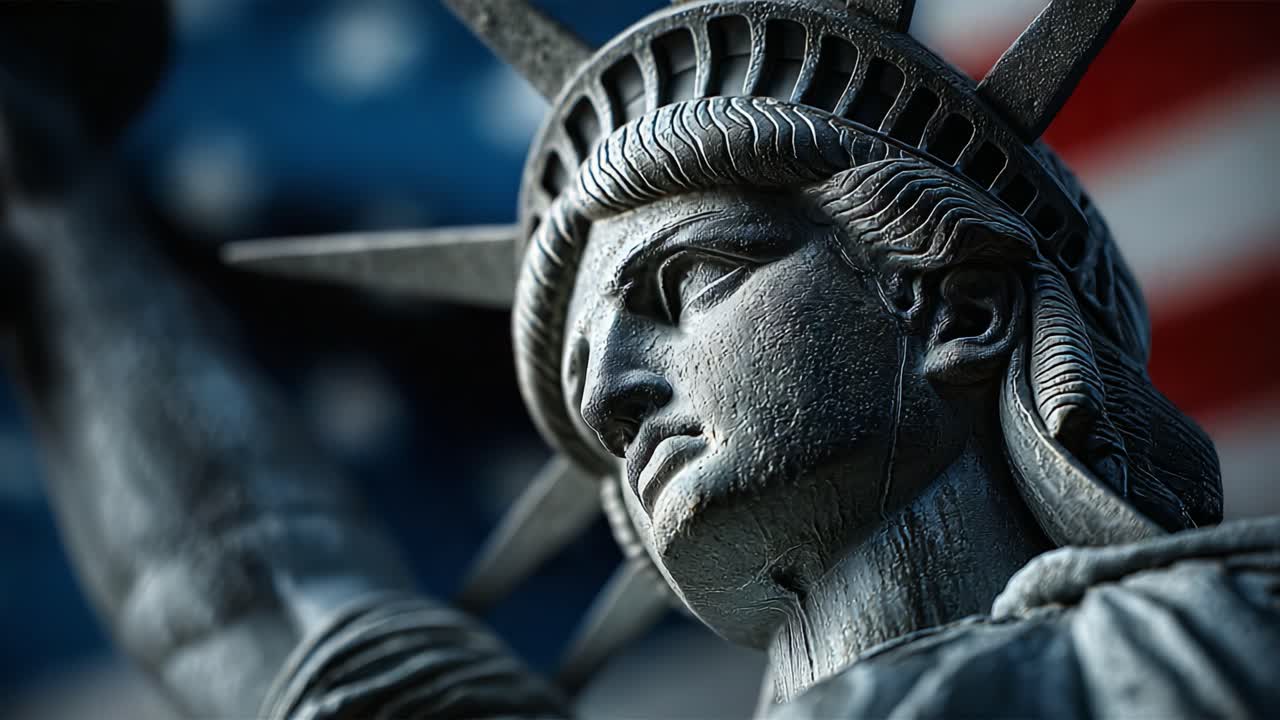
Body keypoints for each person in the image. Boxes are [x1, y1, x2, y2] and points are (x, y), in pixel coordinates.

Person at [4, 1, 1277, 718]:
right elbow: (242, 598)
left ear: (956, 306)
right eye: (577, 372)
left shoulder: (1209, 643)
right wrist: (45, 195)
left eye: (685, 283)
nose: (610, 395)